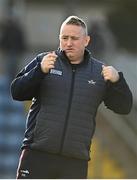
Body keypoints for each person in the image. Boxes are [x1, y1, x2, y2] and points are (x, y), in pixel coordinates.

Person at [11, 16, 133, 179]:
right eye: (64, 38)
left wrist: (118, 81)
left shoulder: (100, 72)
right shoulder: (44, 61)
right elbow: (16, 92)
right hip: (37, 156)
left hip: (75, 163)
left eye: (74, 38)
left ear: (86, 40)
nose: (69, 43)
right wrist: (39, 71)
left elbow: (124, 107)